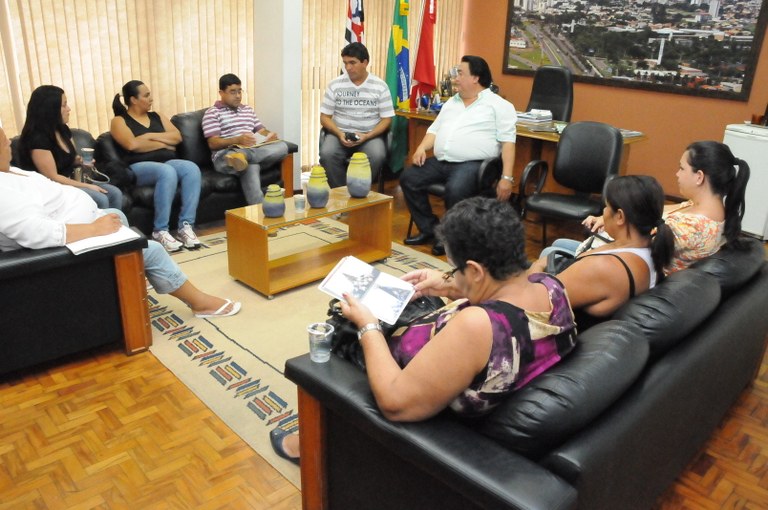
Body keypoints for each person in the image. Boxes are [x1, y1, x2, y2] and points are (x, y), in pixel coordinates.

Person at [270, 197, 577, 463]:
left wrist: (368, 326)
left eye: (456, 268)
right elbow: (506, 302)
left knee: (341, 328)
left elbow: (394, 403)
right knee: (412, 297)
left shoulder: (477, 327)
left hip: (406, 382)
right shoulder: (550, 286)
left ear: (476, 270)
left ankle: (309, 444)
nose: (452, 274)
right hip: (450, 351)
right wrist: (450, 284)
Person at [0, 126, 240, 319]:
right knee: (151, 250)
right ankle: (199, 303)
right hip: (67, 245)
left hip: (80, 222)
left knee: (118, 215)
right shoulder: (3, 192)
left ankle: (133, 281)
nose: (9, 144)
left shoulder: (10, 173)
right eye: (3, 142)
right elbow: (36, 232)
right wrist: (94, 229)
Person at [545, 141, 751, 275]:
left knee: (550, 252)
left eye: (682, 168)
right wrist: (609, 217)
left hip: (627, 270)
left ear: (699, 177)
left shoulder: (692, 227)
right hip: (627, 257)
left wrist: (611, 222)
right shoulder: (700, 207)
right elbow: (653, 213)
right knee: (560, 243)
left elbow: (634, 243)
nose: (677, 174)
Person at [401, 55, 517, 256]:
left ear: (476, 78)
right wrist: (421, 147)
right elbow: (434, 130)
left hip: (474, 164)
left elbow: (508, 142)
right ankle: (430, 230)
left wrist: (506, 178)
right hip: (442, 161)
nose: (455, 78)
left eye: (460, 73)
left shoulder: (499, 105)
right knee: (409, 178)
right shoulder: (451, 103)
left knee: (455, 190)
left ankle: (449, 239)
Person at [529, 175, 675, 324]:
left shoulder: (606, 267)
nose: (604, 212)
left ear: (620, 216)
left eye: (606, 206)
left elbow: (535, 302)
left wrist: (537, 266)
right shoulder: (648, 250)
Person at [110, 80, 202, 252]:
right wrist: (164, 143)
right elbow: (132, 145)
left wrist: (149, 136)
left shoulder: (157, 116)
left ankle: (185, 226)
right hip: (138, 166)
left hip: (166, 161)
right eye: (146, 95)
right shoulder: (119, 121)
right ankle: (160, 230)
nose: (151, 98)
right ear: (133, 100)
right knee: (167, 172)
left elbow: (177, 137)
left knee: (191, 169)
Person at [17, 85, 123, 210]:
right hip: (52, 189)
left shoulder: (62, 129)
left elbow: (71, 158)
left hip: (69, 182)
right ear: (50, 109)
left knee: (115, 193)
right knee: (99, 198)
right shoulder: (36, 139)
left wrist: (81, 162)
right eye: (64, 105)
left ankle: (116, 227)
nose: (69, 109)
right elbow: (53, 177)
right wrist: (86, 186)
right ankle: (100, 227)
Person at [202, 73, 290, 205]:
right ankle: (260, 213)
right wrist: (237, 140)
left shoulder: (247, 110)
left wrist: (269, 135)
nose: (237, 96)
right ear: (221, 93)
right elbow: (213, 143)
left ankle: (243, 157)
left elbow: (261, 130)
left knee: (282, 147)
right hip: (226, 156)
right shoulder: (212, 113)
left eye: (239, 91)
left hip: (248, 152)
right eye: (232, 92)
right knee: (247, 163)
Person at [318, 42, 395, 188]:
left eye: (352, 63)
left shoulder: (380, 86)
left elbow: (386, 119)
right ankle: (341, 194)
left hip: (369, 135)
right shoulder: (335, 84)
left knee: (377, 155)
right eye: (345, 63)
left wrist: (367, 136)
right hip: (339, 134)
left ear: (365, 62)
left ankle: (359, 191)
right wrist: (339, 133)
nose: (348, 68)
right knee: (327, 154)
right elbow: (324, 117)